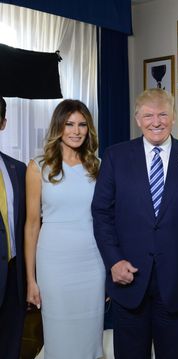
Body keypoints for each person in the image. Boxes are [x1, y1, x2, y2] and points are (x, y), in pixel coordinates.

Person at [92, 88, 178, 359]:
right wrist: (113, 260)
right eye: (148, 115)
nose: (155, 122)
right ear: (137, 119)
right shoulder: (115, 157)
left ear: (174, 118)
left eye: (162, 114)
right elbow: (101, 213)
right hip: (129, 280)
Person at [25, 99, 105, 359]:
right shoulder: (38, 167)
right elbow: (32, 225)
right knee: (59, 337)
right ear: (58, 126)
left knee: (90, 336)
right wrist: (31, 279)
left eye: (82, 124)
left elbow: (107, 221)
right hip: (54, 264)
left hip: (92, 263)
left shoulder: (98, 167)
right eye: (69, 124)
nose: (76, 130)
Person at [0, 96, 27, 359]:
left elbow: (29, 227)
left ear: (3, 123)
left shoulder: (17, 169)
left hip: (13, 279)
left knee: (10, 348)